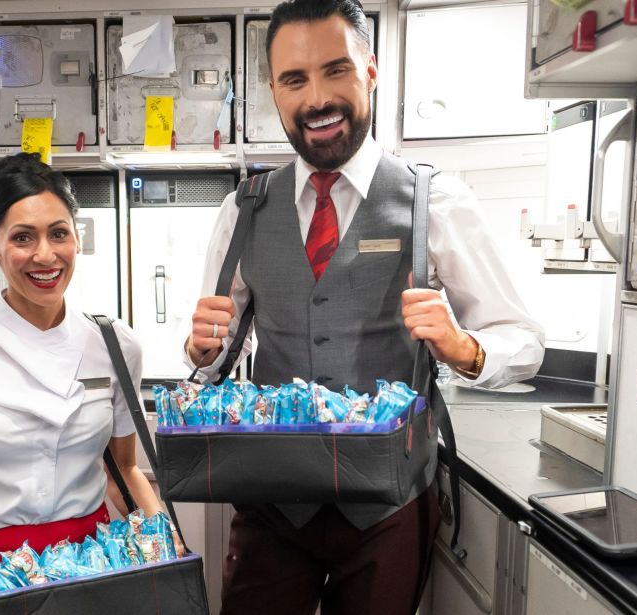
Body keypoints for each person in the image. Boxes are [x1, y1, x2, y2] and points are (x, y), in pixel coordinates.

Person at [184, 0, 545, 613]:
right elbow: (220, 346)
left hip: (389, 503)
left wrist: (466, 348)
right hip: (274, 500)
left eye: (336, 70)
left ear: (370, 72)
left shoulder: (437, 201)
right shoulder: (242, 209)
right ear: (273, 89)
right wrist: (205, 351)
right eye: (294, 79)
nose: (317, 97)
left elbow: (523, 337)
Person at [0, 153, 180, 615]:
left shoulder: (114, 343)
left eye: (59, 233)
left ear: (76, 239)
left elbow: (124, 470)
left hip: (92, 565)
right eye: (23, 238)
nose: (45, 255)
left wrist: (164, 547)